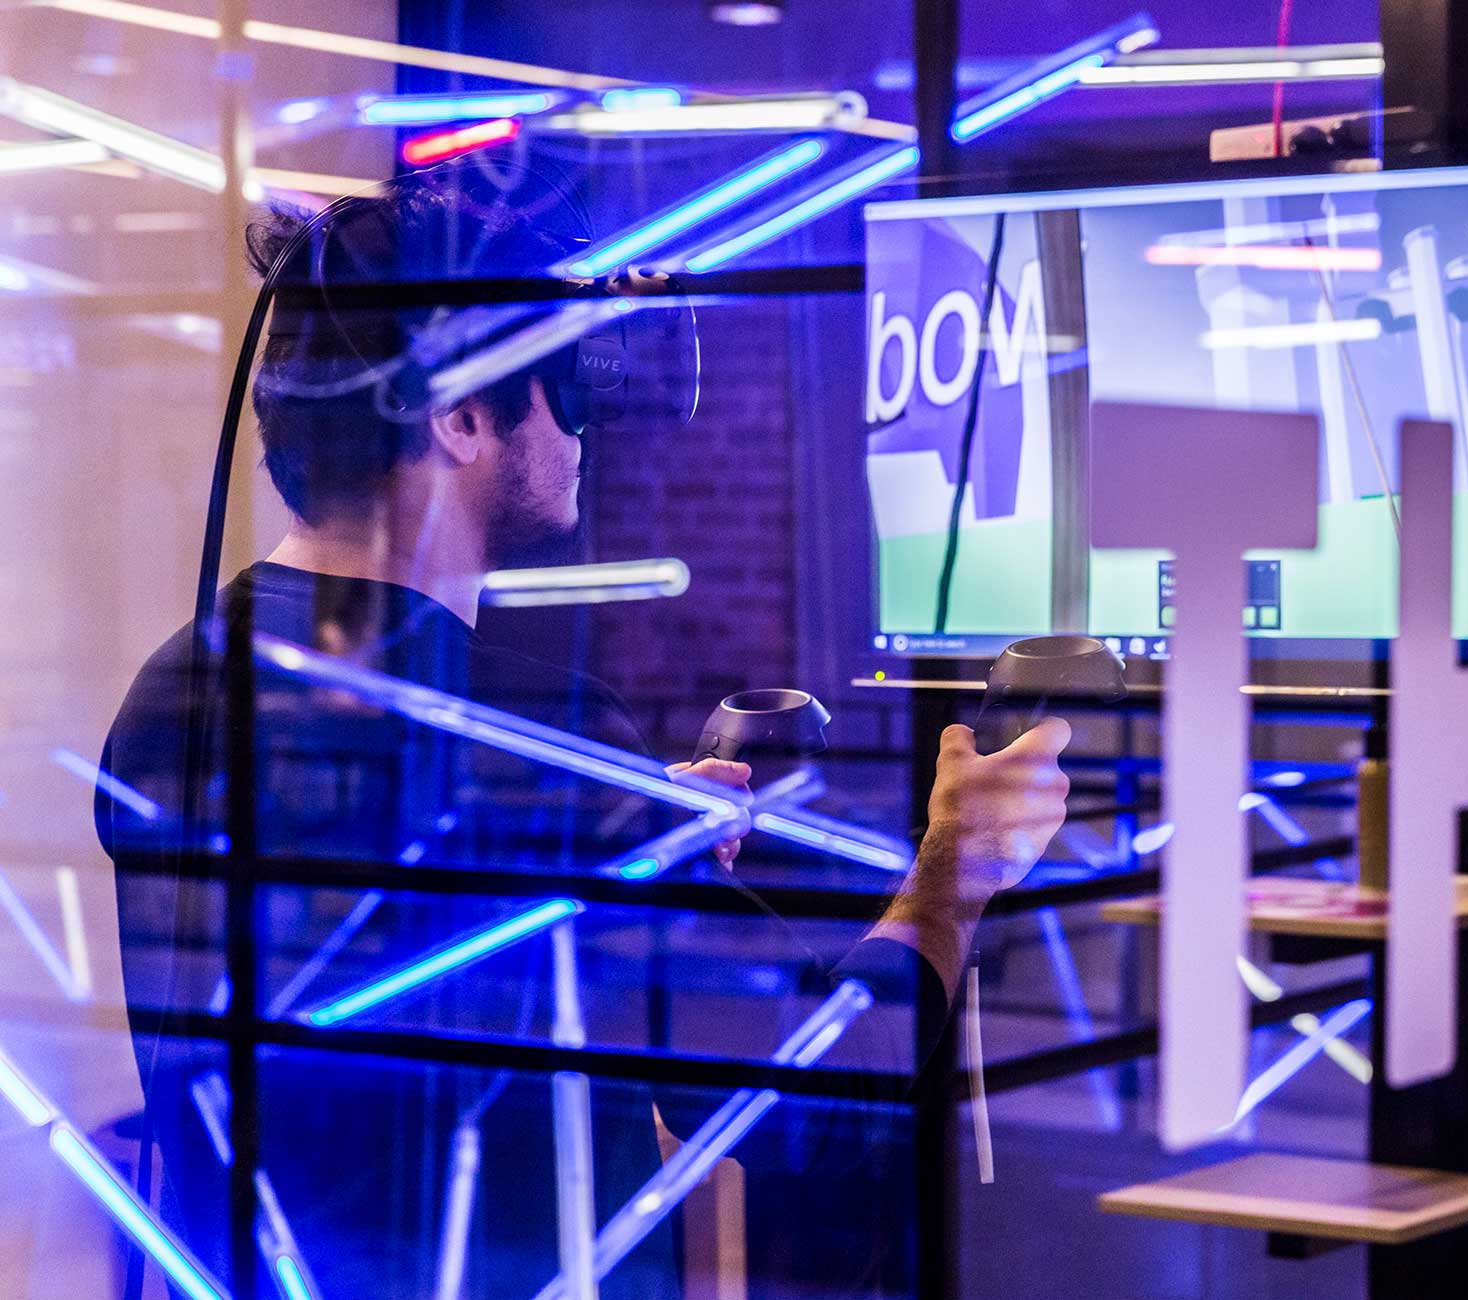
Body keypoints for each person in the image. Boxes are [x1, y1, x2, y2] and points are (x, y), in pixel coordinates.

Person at [95, 166, 1071, 1299]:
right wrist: (959, 869)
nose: (585, 420)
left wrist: (600, 850)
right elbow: (829, 1103)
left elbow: (386, 992)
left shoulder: (173, 691)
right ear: (460, 414)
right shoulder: (530, 743)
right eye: (560, 378)